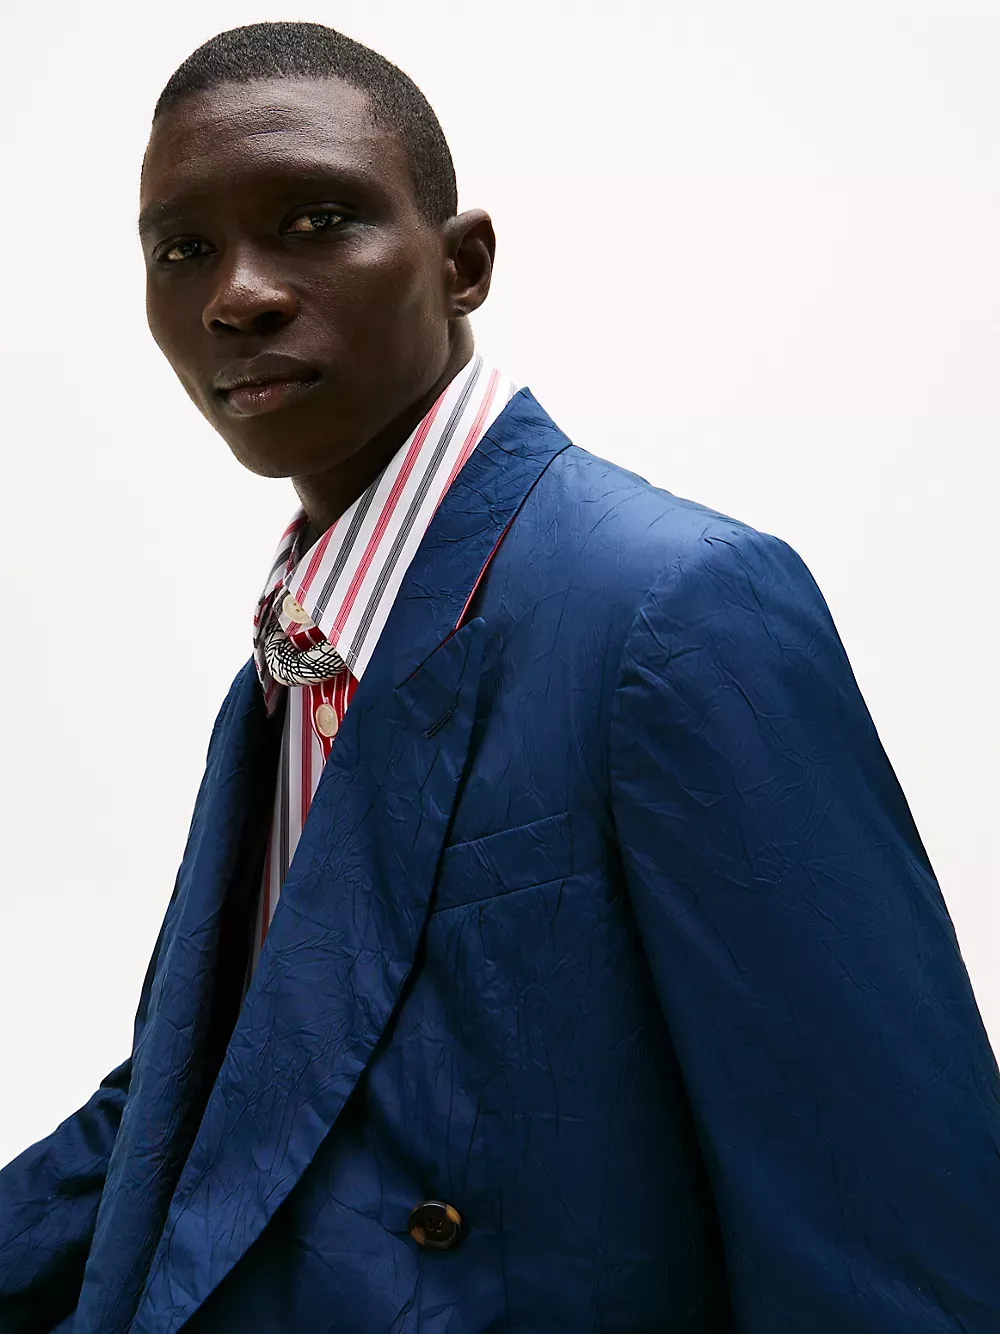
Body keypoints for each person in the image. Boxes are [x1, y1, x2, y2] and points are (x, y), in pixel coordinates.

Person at [1, 20, 998, 1334]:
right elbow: (228, 1085)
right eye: (182, 249)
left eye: (314, 220)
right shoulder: (300, 648)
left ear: (462, 262)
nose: (237, 295)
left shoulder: (672, 608)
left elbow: (888, 1230)